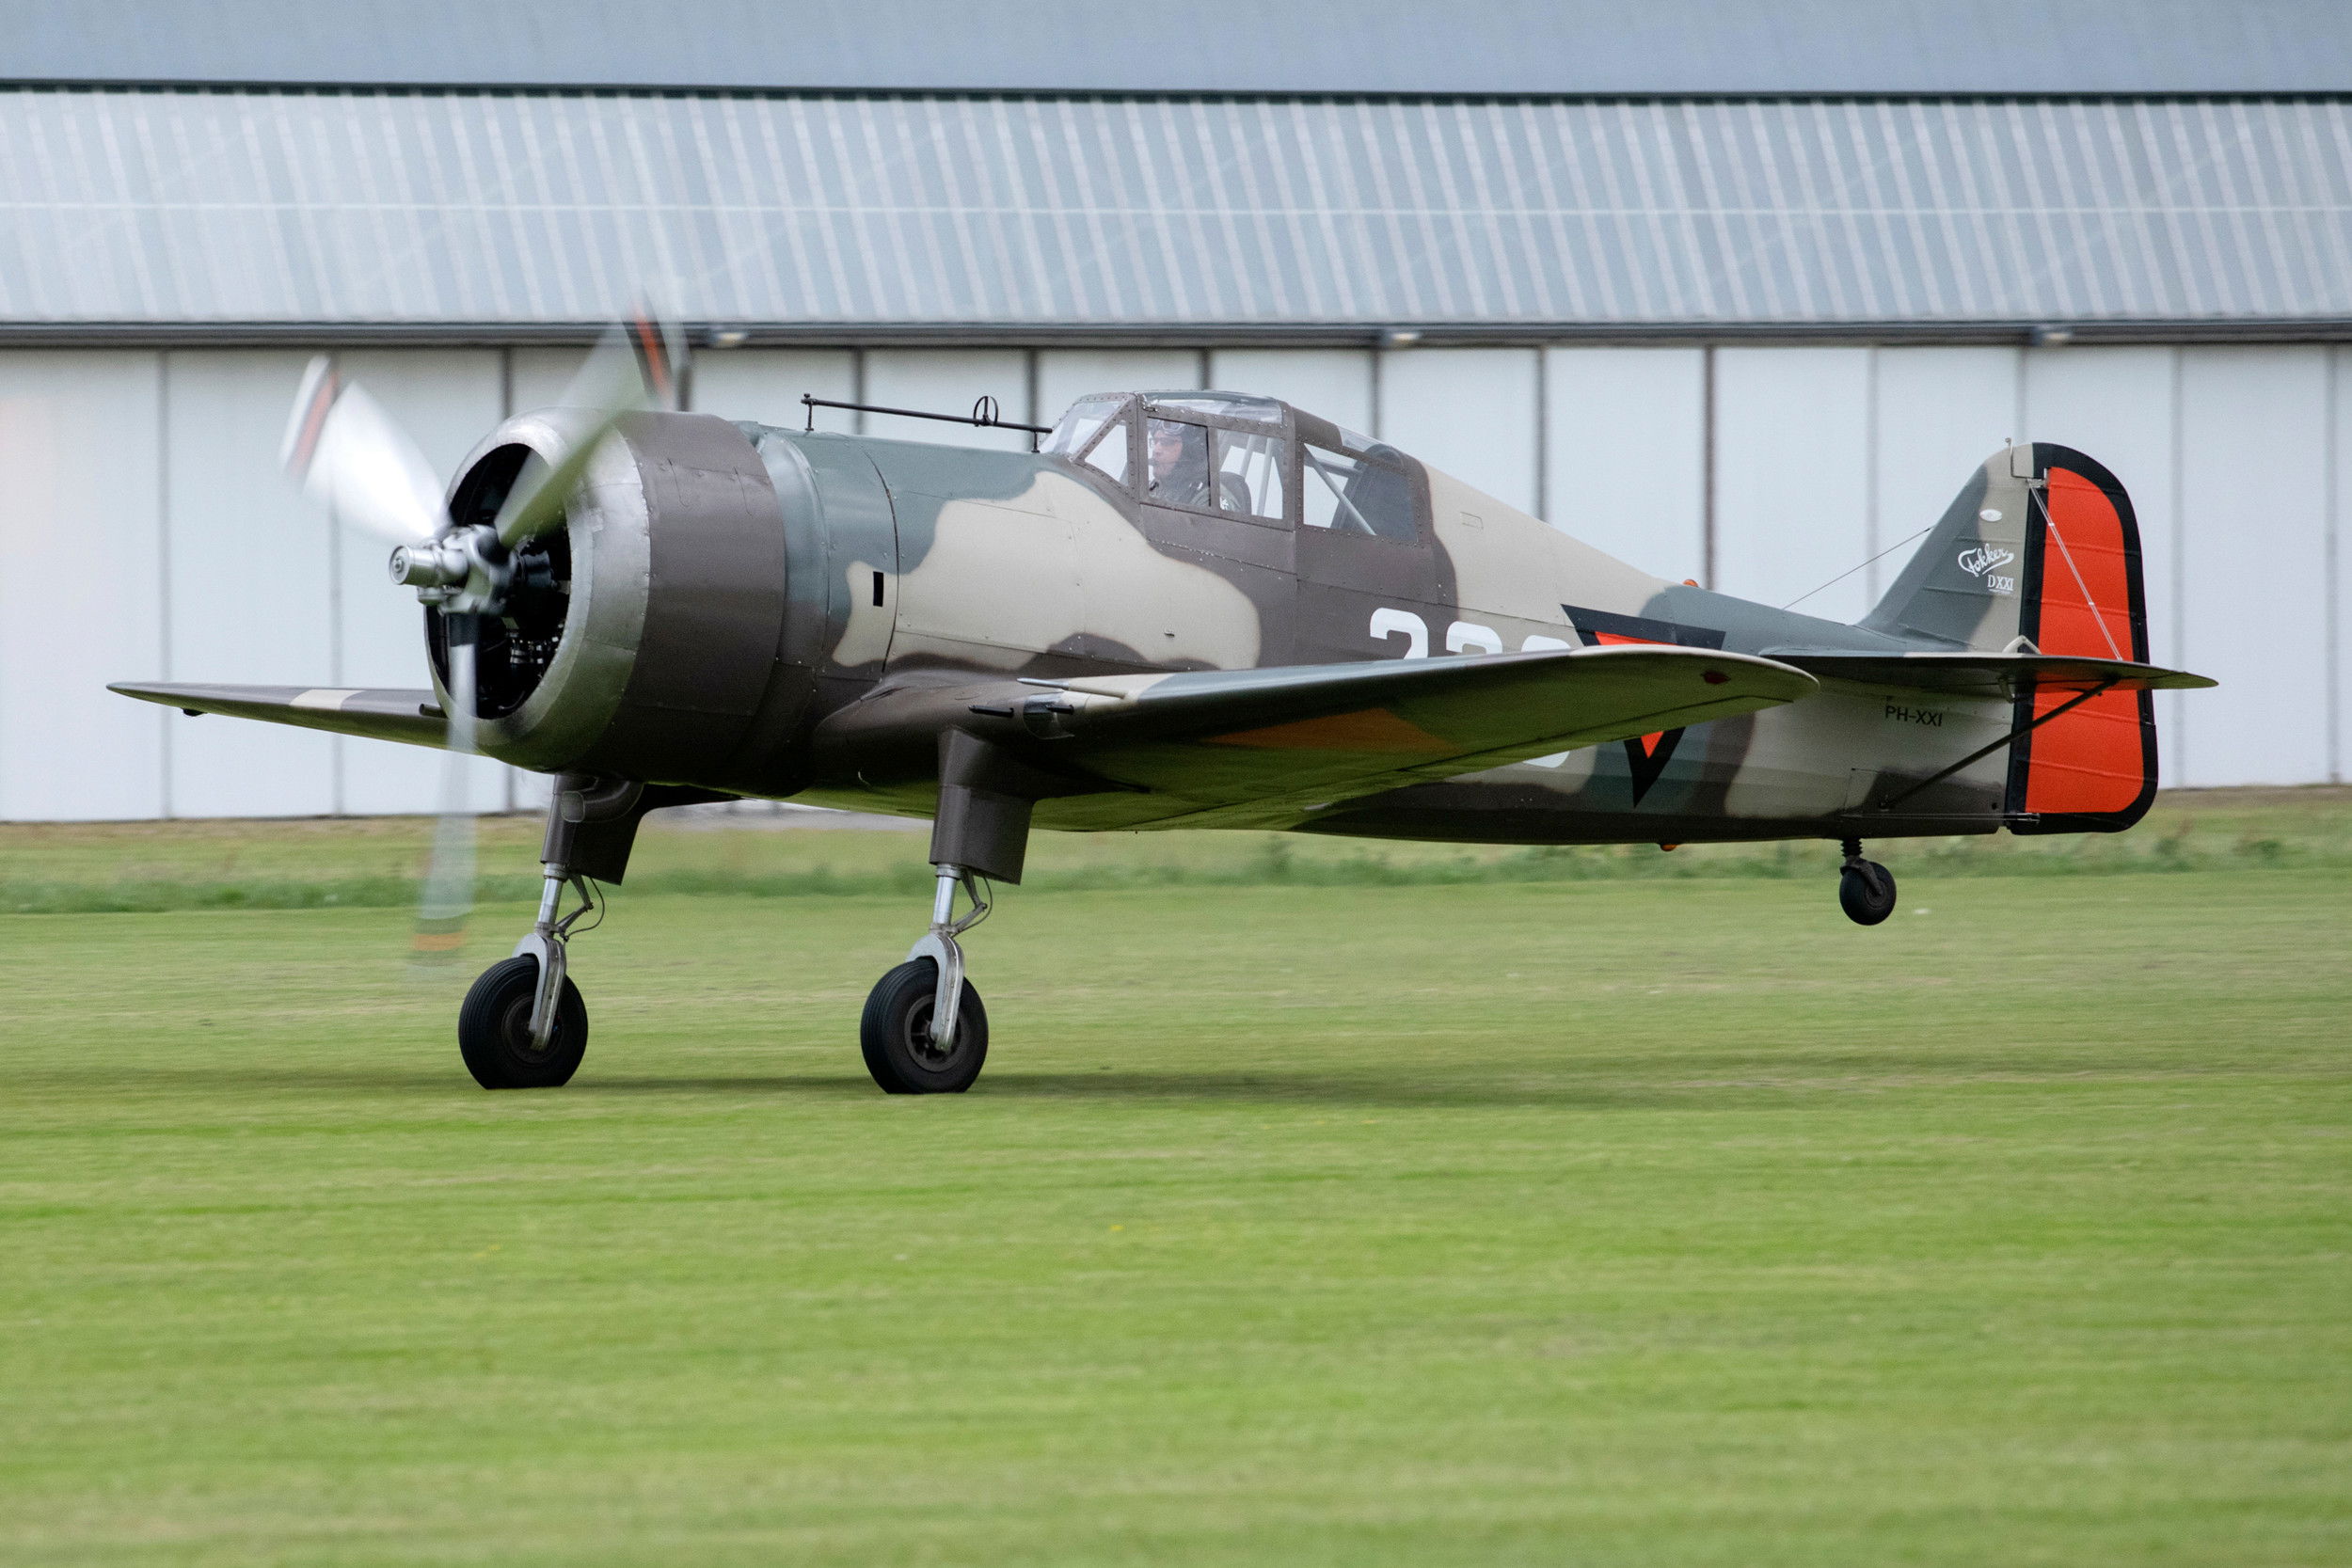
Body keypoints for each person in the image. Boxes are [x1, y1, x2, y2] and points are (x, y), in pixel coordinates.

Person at [1146, 420, 1212, 508]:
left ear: (1189, 451)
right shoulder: (1154, 486)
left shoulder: (1207, 497)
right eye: (1155, 442)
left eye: (1167, 443)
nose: (1156, 450)